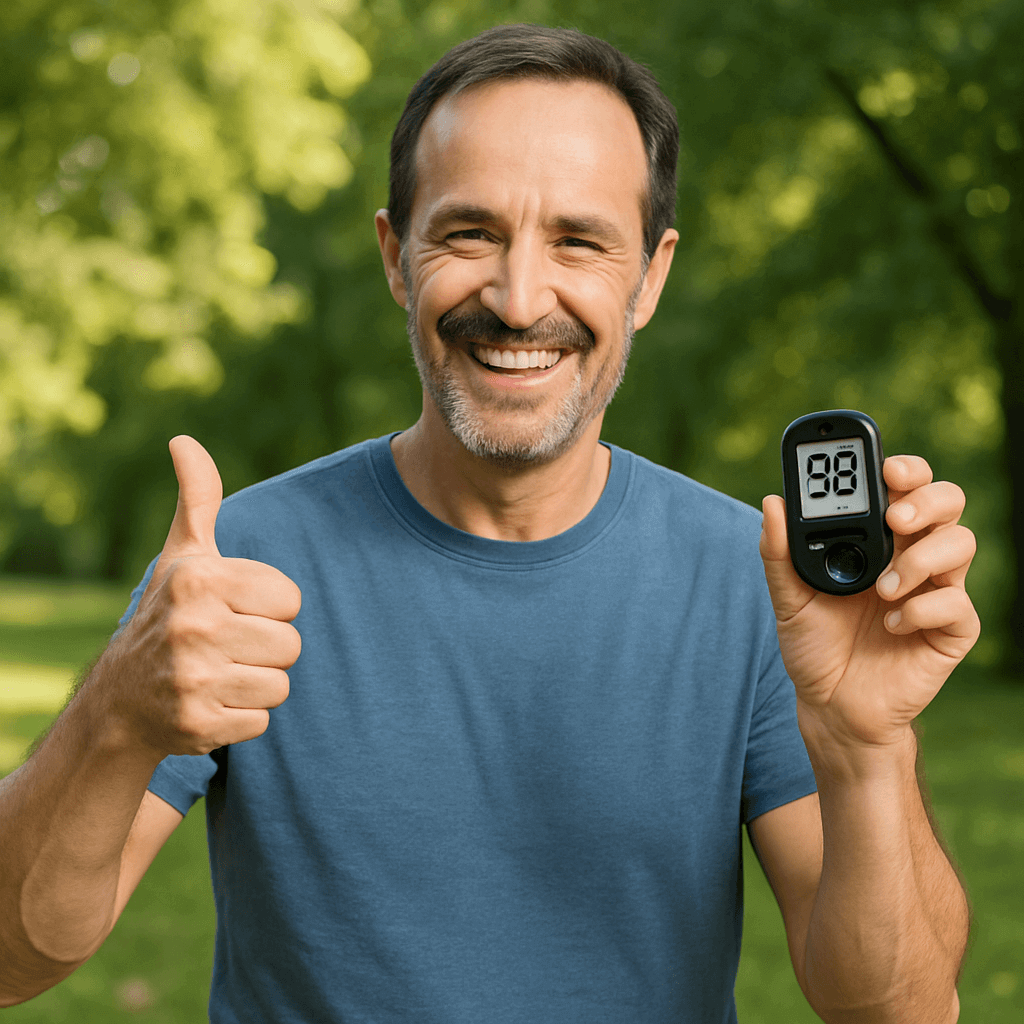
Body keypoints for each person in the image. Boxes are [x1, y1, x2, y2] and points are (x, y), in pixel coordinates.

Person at [0, 24, 978, 1024]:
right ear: (394, 256)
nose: (517, 299)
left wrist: (866, 746)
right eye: (469, 234)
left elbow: (897, 1010)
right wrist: (116, 712)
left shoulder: (757, 587)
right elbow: (10, 961)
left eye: (578, 241)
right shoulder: (236, 565)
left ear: (649, 276)